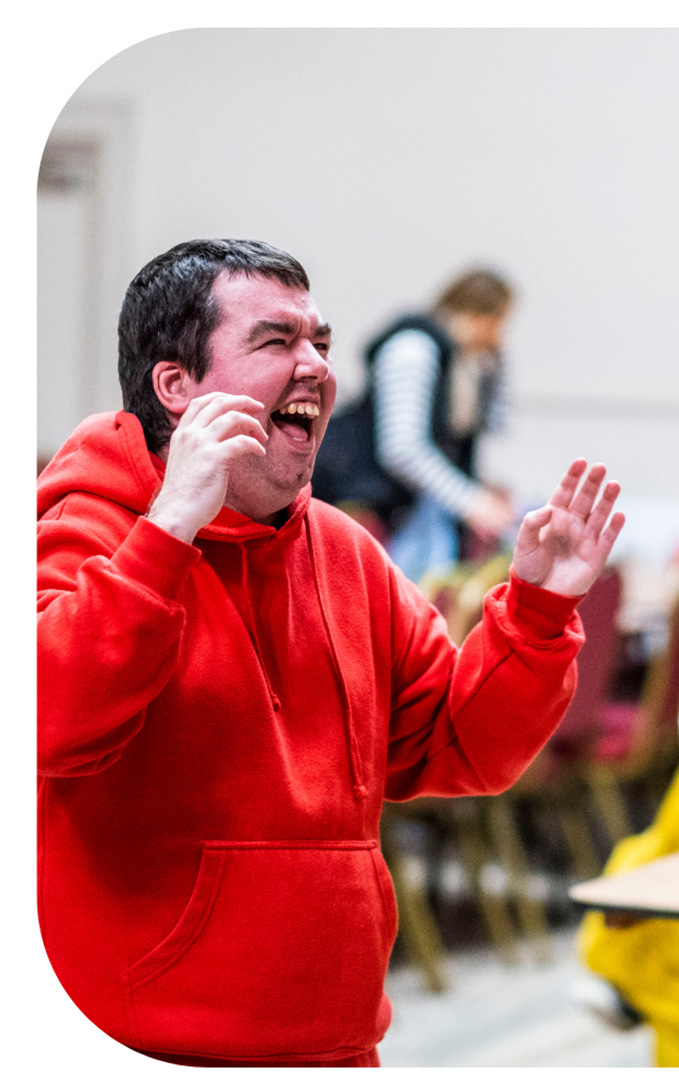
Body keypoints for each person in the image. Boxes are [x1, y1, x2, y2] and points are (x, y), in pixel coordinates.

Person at [37, 238, 625, 1067]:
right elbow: (48, 721)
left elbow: (463, 746)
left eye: (322, 342)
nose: (316, 367)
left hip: (339, 1043)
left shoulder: (343, 551)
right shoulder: (87, 529)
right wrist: (168, 533)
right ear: (177, 388)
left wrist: (536, 611)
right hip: (149, 1048)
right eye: (278, 342)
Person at [312, 268, 517, 582]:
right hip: (361, 498)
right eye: (499, 324)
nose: (500, 336)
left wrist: (497, 366)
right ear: (480, 316)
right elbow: (402, 449)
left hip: (399, 504)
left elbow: (491, 426)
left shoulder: (461, 361)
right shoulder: (414, 348)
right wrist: (471, 502)